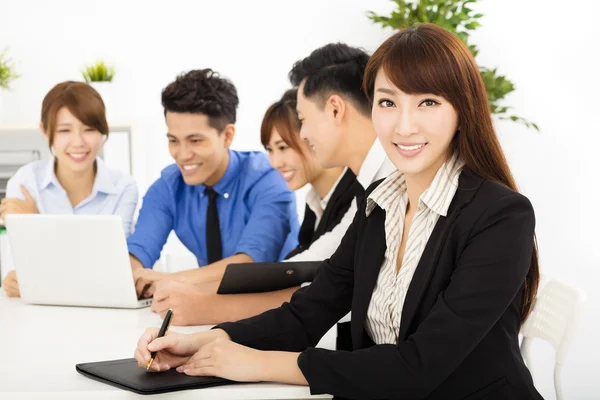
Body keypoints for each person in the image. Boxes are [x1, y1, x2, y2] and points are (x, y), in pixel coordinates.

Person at [134, 24, 543, 400]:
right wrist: (205, 341)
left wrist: (259, 364)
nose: (403, 126)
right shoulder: (379, 203)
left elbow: (420, 367)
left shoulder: (501, 217)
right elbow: (308, 312)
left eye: (428, 103)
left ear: (462, 111)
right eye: (387, 102)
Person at [128, 69, 297, 300]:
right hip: (206, 307)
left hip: (277, 307)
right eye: (173, 141)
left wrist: (170, 280)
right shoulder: (169, 186)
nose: (182, 155)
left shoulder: (268, 179)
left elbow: (249, 264)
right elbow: (137, 252)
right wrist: (134, 274)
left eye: (195, 140)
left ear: (227, 136)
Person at [0, 81, 138, 298]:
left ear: (103, 132)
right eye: (65, 130)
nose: (78, 142)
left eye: (89, 129)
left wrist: (34, 222)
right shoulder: (25, 181)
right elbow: (17, 274)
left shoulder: (123, 188)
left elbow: (115, 275)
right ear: (45, 131)